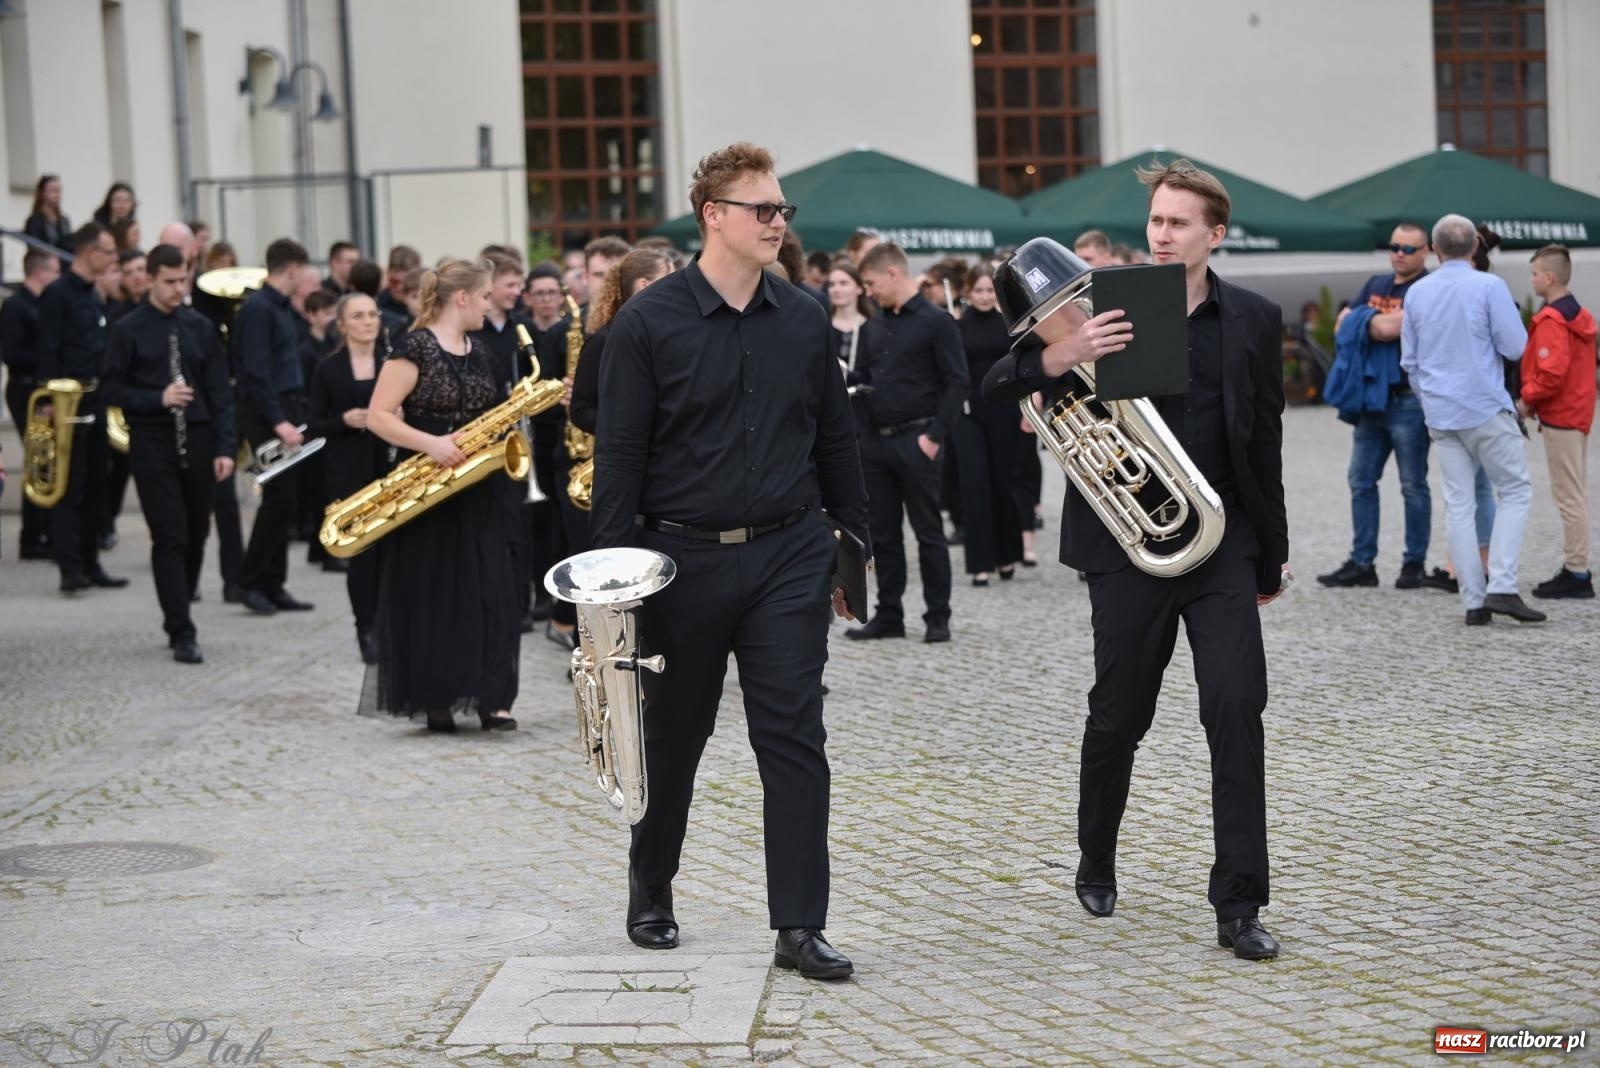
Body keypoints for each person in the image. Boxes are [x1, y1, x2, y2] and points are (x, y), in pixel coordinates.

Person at [984, 159, 1292, 962]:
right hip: (1126, 547)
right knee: (1120, 714)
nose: (1161, 235)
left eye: (1178, 223)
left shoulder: (1253, 317)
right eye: (1155, 221)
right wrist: (1062, 354)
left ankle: (1239, 904)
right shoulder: (1098, 301)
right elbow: (993, 382)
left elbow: (1266, 443)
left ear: (1213, 235)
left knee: (1236, 711)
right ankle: (1095, 855)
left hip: (1221, 541)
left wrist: (1271, 558)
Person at [591, 142, 869, 980]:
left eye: (783, 211)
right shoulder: (646, 324)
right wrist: (612, 590)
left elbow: (834, 438)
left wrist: (851, 550)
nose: (779, 223)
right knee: (676, 737)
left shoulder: (805, 317)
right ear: (715, 215)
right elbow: (621, 458)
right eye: (764, 210)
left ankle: (799, 925)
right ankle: (652, 888)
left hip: (788, 554)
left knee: (794, 735)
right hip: (680, 559)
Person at [363, 259, 520, 733]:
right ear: (462, 298)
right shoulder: (414, 347)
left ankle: (493, 697)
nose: (491, 303)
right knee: (436, 590)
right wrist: (432, 444)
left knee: (492, 588)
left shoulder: (484, 349)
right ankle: (438, 698)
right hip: (427, 482)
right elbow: (378, 415)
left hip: (480, 484)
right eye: (486, 295)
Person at [1400, 214, 1542, 626]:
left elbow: (1410, 362)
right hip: (1484, 405)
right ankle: (1502, 584)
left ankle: (1474, 602)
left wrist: (1430, 401)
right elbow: (1516, 347)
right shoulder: (1489, 286)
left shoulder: (1419, 292)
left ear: (1436, 249)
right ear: (1475, 248)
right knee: (1514, 490)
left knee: (1458, 504)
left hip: (1442, 413)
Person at [101, 244, 236, 663]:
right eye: (171, 282)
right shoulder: (128, 329)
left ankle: (181, 605)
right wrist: (157, 397)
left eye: (184, 281)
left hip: (197, 437)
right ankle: (181, 628)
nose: (180, 289)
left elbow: (219, 393)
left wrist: (225, 447)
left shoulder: (199, 327)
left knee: (197, 532)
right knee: (170, 533)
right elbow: (110, 389)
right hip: (152, 440)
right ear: (151, 280)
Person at [847, 241, 968, 644]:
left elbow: (957, 383)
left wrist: (933, 437)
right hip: (876, 447)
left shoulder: (937, 322)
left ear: (893, 273)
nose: (868, 291)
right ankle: (890, 614)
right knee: (883, 535)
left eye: (870, 282)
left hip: (918, 441)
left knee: (928, 532)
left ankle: (938, 616)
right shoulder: (872, 326)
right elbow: (861, 380)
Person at [1317, 223, 1436, 590]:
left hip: (1408, 401)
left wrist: (1363, 321)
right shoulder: (1374, 283)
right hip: (1371, 401)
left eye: (1409, 248)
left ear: (1426, 252)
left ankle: (1413, 564)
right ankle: (1362, 563)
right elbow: (1342, 325)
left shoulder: (1427, 289)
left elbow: (1388, 330)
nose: (1399, 253)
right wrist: (1372, 322)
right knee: (1360, 481)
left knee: (1413, 485)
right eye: (1395, 246)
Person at [36, 222, 129, 593]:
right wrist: (50, 403)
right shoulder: (57, 294)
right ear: (90, 253)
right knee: (69, 486)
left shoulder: (93, 294)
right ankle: (70, 569)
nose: (113, 258)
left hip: (95, 398)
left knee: (96, 484)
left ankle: (91, 563)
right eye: (108, 252)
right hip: (66, 402)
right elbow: (48, 349)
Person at [234, 238, 317, 616]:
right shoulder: (257, 308)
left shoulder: (283, 309)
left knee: (287, 502)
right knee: (277, 499)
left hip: (288, 405)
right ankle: (249, 581)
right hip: (271, 411)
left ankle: (274, 583)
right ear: (293, 269)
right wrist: (278, 420)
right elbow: (255, 372)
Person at [308, 294, 393, 661]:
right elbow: (313, 424)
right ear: (341, 324)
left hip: (389, 464)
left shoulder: (392, 362)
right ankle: (367, 627)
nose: (368, 321)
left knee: (393, 551)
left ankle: (394, 625)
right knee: (362, 555)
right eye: (358, 316)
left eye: (373, 314)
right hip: (347, 468)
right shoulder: (327, 369)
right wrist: (344, 420)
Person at [1517, 244, 1595, 600]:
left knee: (1568, 494)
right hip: (1576, 411)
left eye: (1534, 273)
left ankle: (1577, 573)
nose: (1531, 279)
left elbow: (1551, 373)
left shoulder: (1552, 319)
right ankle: (1576, 569)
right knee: (1573, 492)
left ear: (1549, 277)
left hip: (1562, 415)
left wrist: (1526, 401)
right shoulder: (1577, 313)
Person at [954, 264, 1023, 586]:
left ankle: (1007, 554)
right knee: (973, 486)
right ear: (968, 292)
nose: (983, 296)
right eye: (977, 290)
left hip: (1003, 410)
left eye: (988, 291)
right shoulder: (956, 326)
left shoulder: (1008, 324)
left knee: (1002, 483)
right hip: (968, 413)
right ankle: (979, 563)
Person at [1, 248, 62, 559]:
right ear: (40, 272)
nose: (58, 277)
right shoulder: (16, 306)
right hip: (25, 391)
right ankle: (33, 537)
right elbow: (10, 353)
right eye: (54, 271)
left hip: (39, 390)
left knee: (43, 462)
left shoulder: (43, 304)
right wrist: (47, 361)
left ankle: (40, 535)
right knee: (38, 461)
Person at [23, 175, 73, 254]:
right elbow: (35, 248)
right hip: (44, 262)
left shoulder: (64, 220)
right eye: (53, 191)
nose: (57, 195)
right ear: (42, 193)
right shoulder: (35, 220)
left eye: (59, 191)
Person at [379, 245, 421, 320]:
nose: (400, 287)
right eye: (394, 281)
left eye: (406, 283)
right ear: (387, 274)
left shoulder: (428, 306)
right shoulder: (378, 304)